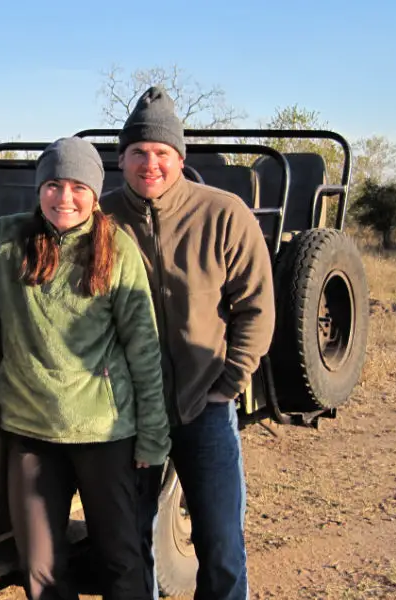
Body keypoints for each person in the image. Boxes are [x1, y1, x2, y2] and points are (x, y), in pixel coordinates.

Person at [0, 137, 170, 600]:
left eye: (76, 187)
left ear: (93, 192)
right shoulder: (9, 237)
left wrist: (152, 437)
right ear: (38, 188)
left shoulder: (117, 250)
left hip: (104, 432)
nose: (63, 198)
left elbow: (144, 349)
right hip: (32, 433)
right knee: (41, 571)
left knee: (120, 560)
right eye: (52, 184)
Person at [99, 86, 276, 600]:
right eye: (137, 153)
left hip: (205, 407)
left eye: (160, 153)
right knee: (128, 549)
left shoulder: (223, 214)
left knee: (221, 549)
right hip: (129, 415)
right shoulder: (102, 221)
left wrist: (230, 381)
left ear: (180, 157)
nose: (148, 164)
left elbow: (256, 306)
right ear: (122, 158)